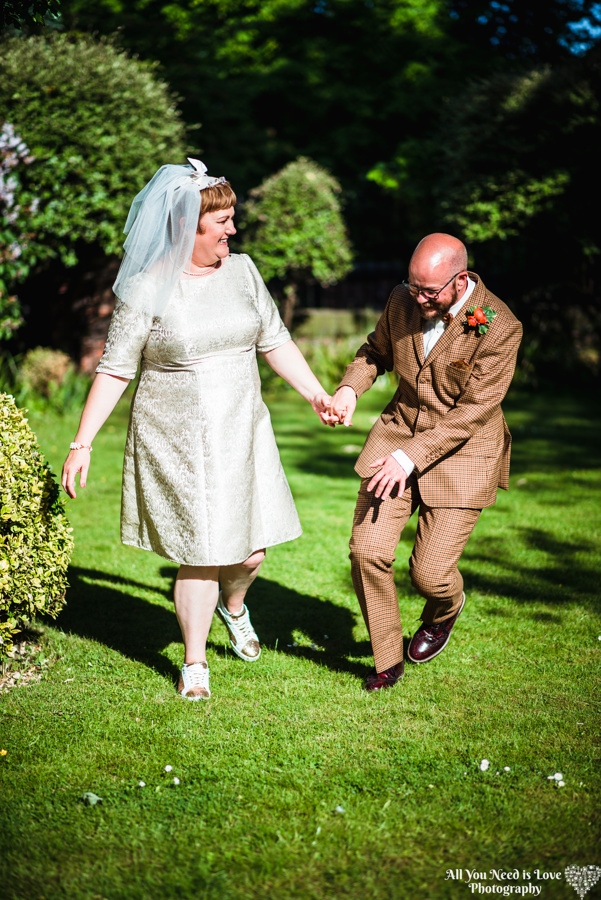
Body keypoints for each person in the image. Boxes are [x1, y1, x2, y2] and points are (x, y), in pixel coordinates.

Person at [62, 158, 332, 701]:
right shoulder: (147, 287)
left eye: (232, 219)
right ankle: (194, 662)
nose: (232, 230)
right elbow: (116, 367)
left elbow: (274, 340)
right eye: (223, 221)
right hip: (176, 436)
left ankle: (235, 608)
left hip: (244, 426)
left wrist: (316, 394)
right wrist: (81, 442)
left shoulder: (244, 271)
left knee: (250, 553)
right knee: (202, 550)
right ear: (189, 227)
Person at [328, 233, 522, 692]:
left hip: (463, 452)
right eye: (412, 286)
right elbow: (374, 351)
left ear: (461, 280)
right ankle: (386, 658)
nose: (418, 298)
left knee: (429, 574)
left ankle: (444, 611)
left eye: (429, 291)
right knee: (367, 551)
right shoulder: (402, 301)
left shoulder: (499, 327)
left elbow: (472, 413)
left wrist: (409, 457)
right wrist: (349, 388)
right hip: (397, 435)